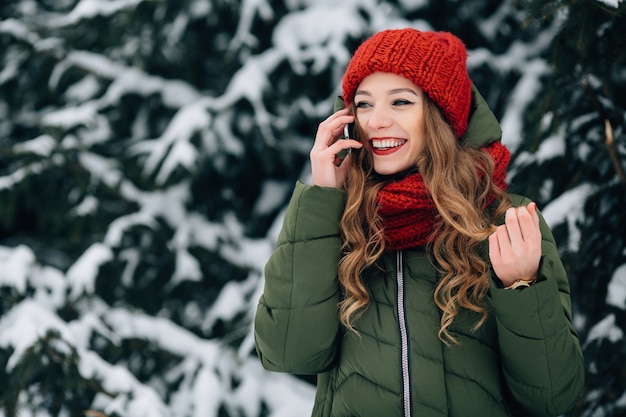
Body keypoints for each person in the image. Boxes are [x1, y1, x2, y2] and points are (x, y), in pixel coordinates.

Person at [254, 28, 585, 417]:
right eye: (363, 104)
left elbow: (555, 396)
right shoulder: (333, 221)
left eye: (400, 101)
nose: (376, 121)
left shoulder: (504, 223)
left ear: (440, 115)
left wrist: (521, 286)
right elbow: (288, 353)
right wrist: (321, 202)